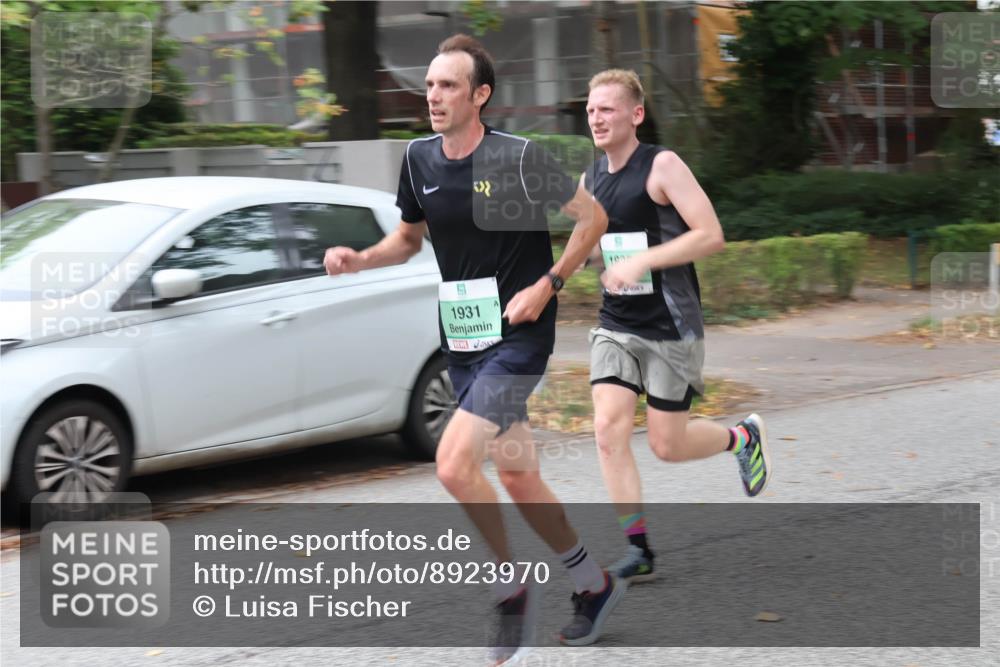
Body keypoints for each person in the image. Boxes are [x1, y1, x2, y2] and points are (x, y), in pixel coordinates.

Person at [324, 35, 624, 663]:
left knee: (454, 465)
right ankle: (591, 583)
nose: (433, 96)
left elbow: (592, 219)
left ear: (480, 95)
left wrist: (548, 285)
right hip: (464, 338)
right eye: (430, 85)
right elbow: (407, 240)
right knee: (516, 474)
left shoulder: (517, 157)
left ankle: (509, 588)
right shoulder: (417, 159)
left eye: (449, 86)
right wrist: (362, 259)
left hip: (519, 336)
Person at [582, 69, 772, 583]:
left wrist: (643, 261)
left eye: (607, 109)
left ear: (635, 114)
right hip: (616, 322)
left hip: (670, 323)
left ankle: (742, 438)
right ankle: (637, 547)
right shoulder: (590, 176)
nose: (596, 118)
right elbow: (592, 240)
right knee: (607, 430)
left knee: (667, 444)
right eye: (592, 109)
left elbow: (711, 234)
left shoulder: (661, 165)